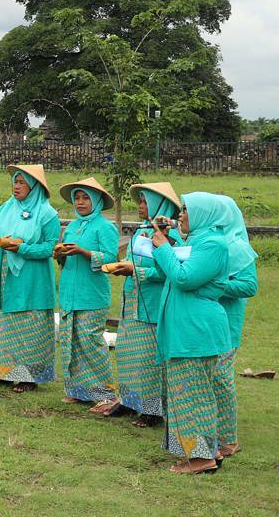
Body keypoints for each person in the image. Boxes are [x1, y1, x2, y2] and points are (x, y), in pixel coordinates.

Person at [151, 192, 231, 474]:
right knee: (193, 393)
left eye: (185, 210)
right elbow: (178, 266)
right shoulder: (199, 240)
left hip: (196, 331)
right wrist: (168, 237)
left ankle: (201, 458)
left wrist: (162, 248)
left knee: (192, 395)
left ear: (203, 213)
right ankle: (206, 452)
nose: (180, 215)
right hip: (187, 329)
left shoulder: (213, 244)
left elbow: (185, 279)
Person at [92, 182, 183, 425]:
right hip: (132, 301)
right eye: (140, 201)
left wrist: (136, 270)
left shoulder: (172, 237)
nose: (141, 206)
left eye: (145, 202)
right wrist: (127, 268)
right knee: (127, 353)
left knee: (148, 358)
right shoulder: (142, 231)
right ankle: (130, 401)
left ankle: (153, 411)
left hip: (152, 304)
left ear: (160, 205)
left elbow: (171, 271)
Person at [0, 164, 60, 393]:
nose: (16, 187)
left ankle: (29, 376)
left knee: (29, 324)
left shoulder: (48, 214)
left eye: (21, 182)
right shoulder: (7, 207)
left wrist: (21, 248)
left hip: (31, 278)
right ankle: (4, 372)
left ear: (34, 186)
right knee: (4, 324)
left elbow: (49, 249)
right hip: (5, 274)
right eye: (15, 182)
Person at [55, 177, 118, 406]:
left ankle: (104, 393)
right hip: (69, 293)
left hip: (91, 295)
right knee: (71, 341)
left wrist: (84, 252)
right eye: (77, 198)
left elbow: (111, 259)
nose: (80, 202)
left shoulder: (105, 227)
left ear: (97, 201)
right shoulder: (72, 226)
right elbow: (66, 257)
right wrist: (60, 254)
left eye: (85, 198)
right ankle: (77, 390)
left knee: (90, 342)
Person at [213, 195, 258, 459]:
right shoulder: (205, 243)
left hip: (226, 322)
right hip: (204, 322)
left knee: (221, 377)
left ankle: (229, 438)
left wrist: (216, 286)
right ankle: (209, 431)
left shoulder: (238, 248)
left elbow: (249, 286)